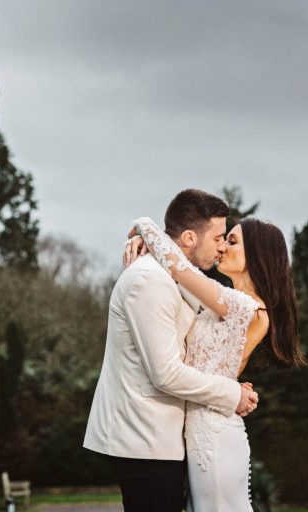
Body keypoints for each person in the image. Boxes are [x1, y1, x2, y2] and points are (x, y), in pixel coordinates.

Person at [83, 189, 259, 512]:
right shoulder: (149, 280)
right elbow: (166, 372)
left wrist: (148, 234)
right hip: (144, 438)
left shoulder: (171, 277)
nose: (221, 247)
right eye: (219, 237)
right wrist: (231, 393)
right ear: (190, 237)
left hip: (164, 438)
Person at [124, 215, 305, 512]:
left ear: (258, 255)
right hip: (202, 428)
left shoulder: (242, 305)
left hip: (215, 436)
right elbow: (173, 275)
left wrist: (145, 225)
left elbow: (179, 270)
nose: (221, 247)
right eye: (222, 240)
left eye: (232, 241)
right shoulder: (227, 301)